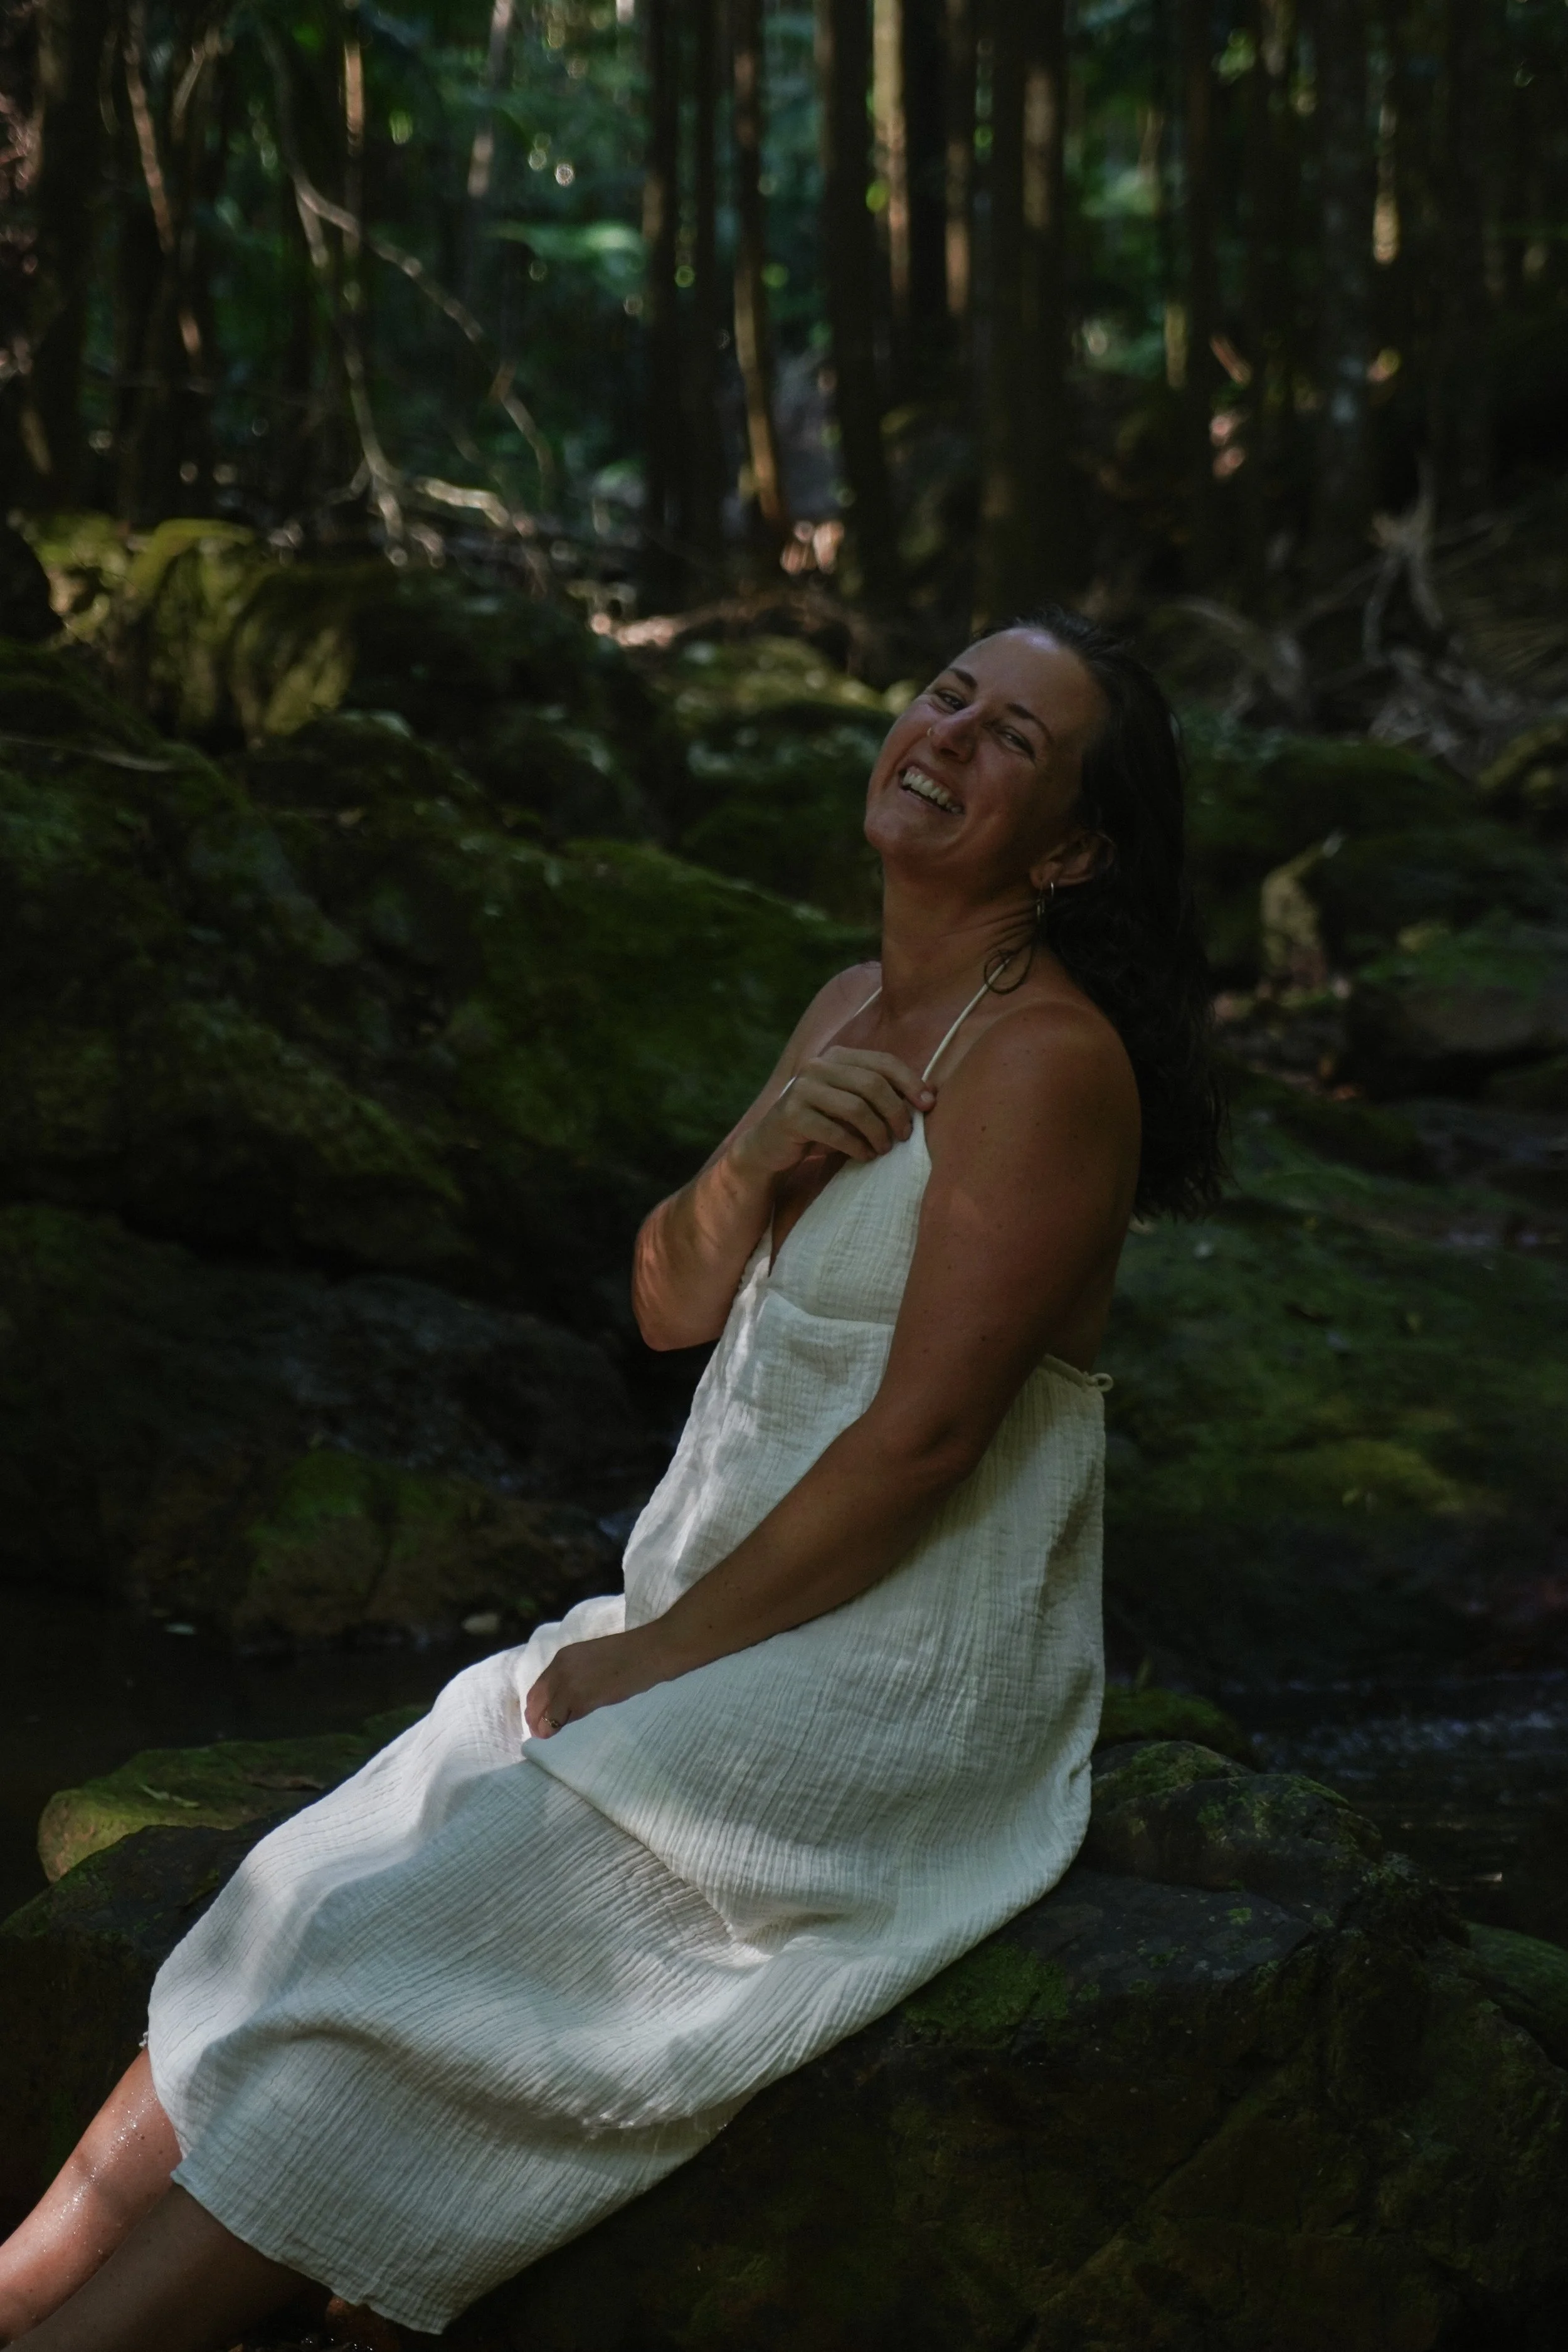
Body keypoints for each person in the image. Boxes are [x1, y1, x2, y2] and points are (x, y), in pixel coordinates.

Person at [0, 614, 1222, 2352]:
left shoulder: (1047, 1066)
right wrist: (748, 1160)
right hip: (723, 1601)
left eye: (1014, 735)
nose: (945, 734)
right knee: (297, 1897)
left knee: (391, 1963)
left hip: (892, 1668)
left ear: (1075, 847)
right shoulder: (851, 1005)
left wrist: (651, 1664)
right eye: (946, 693)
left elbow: (926, 1442)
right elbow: (666, 1301)